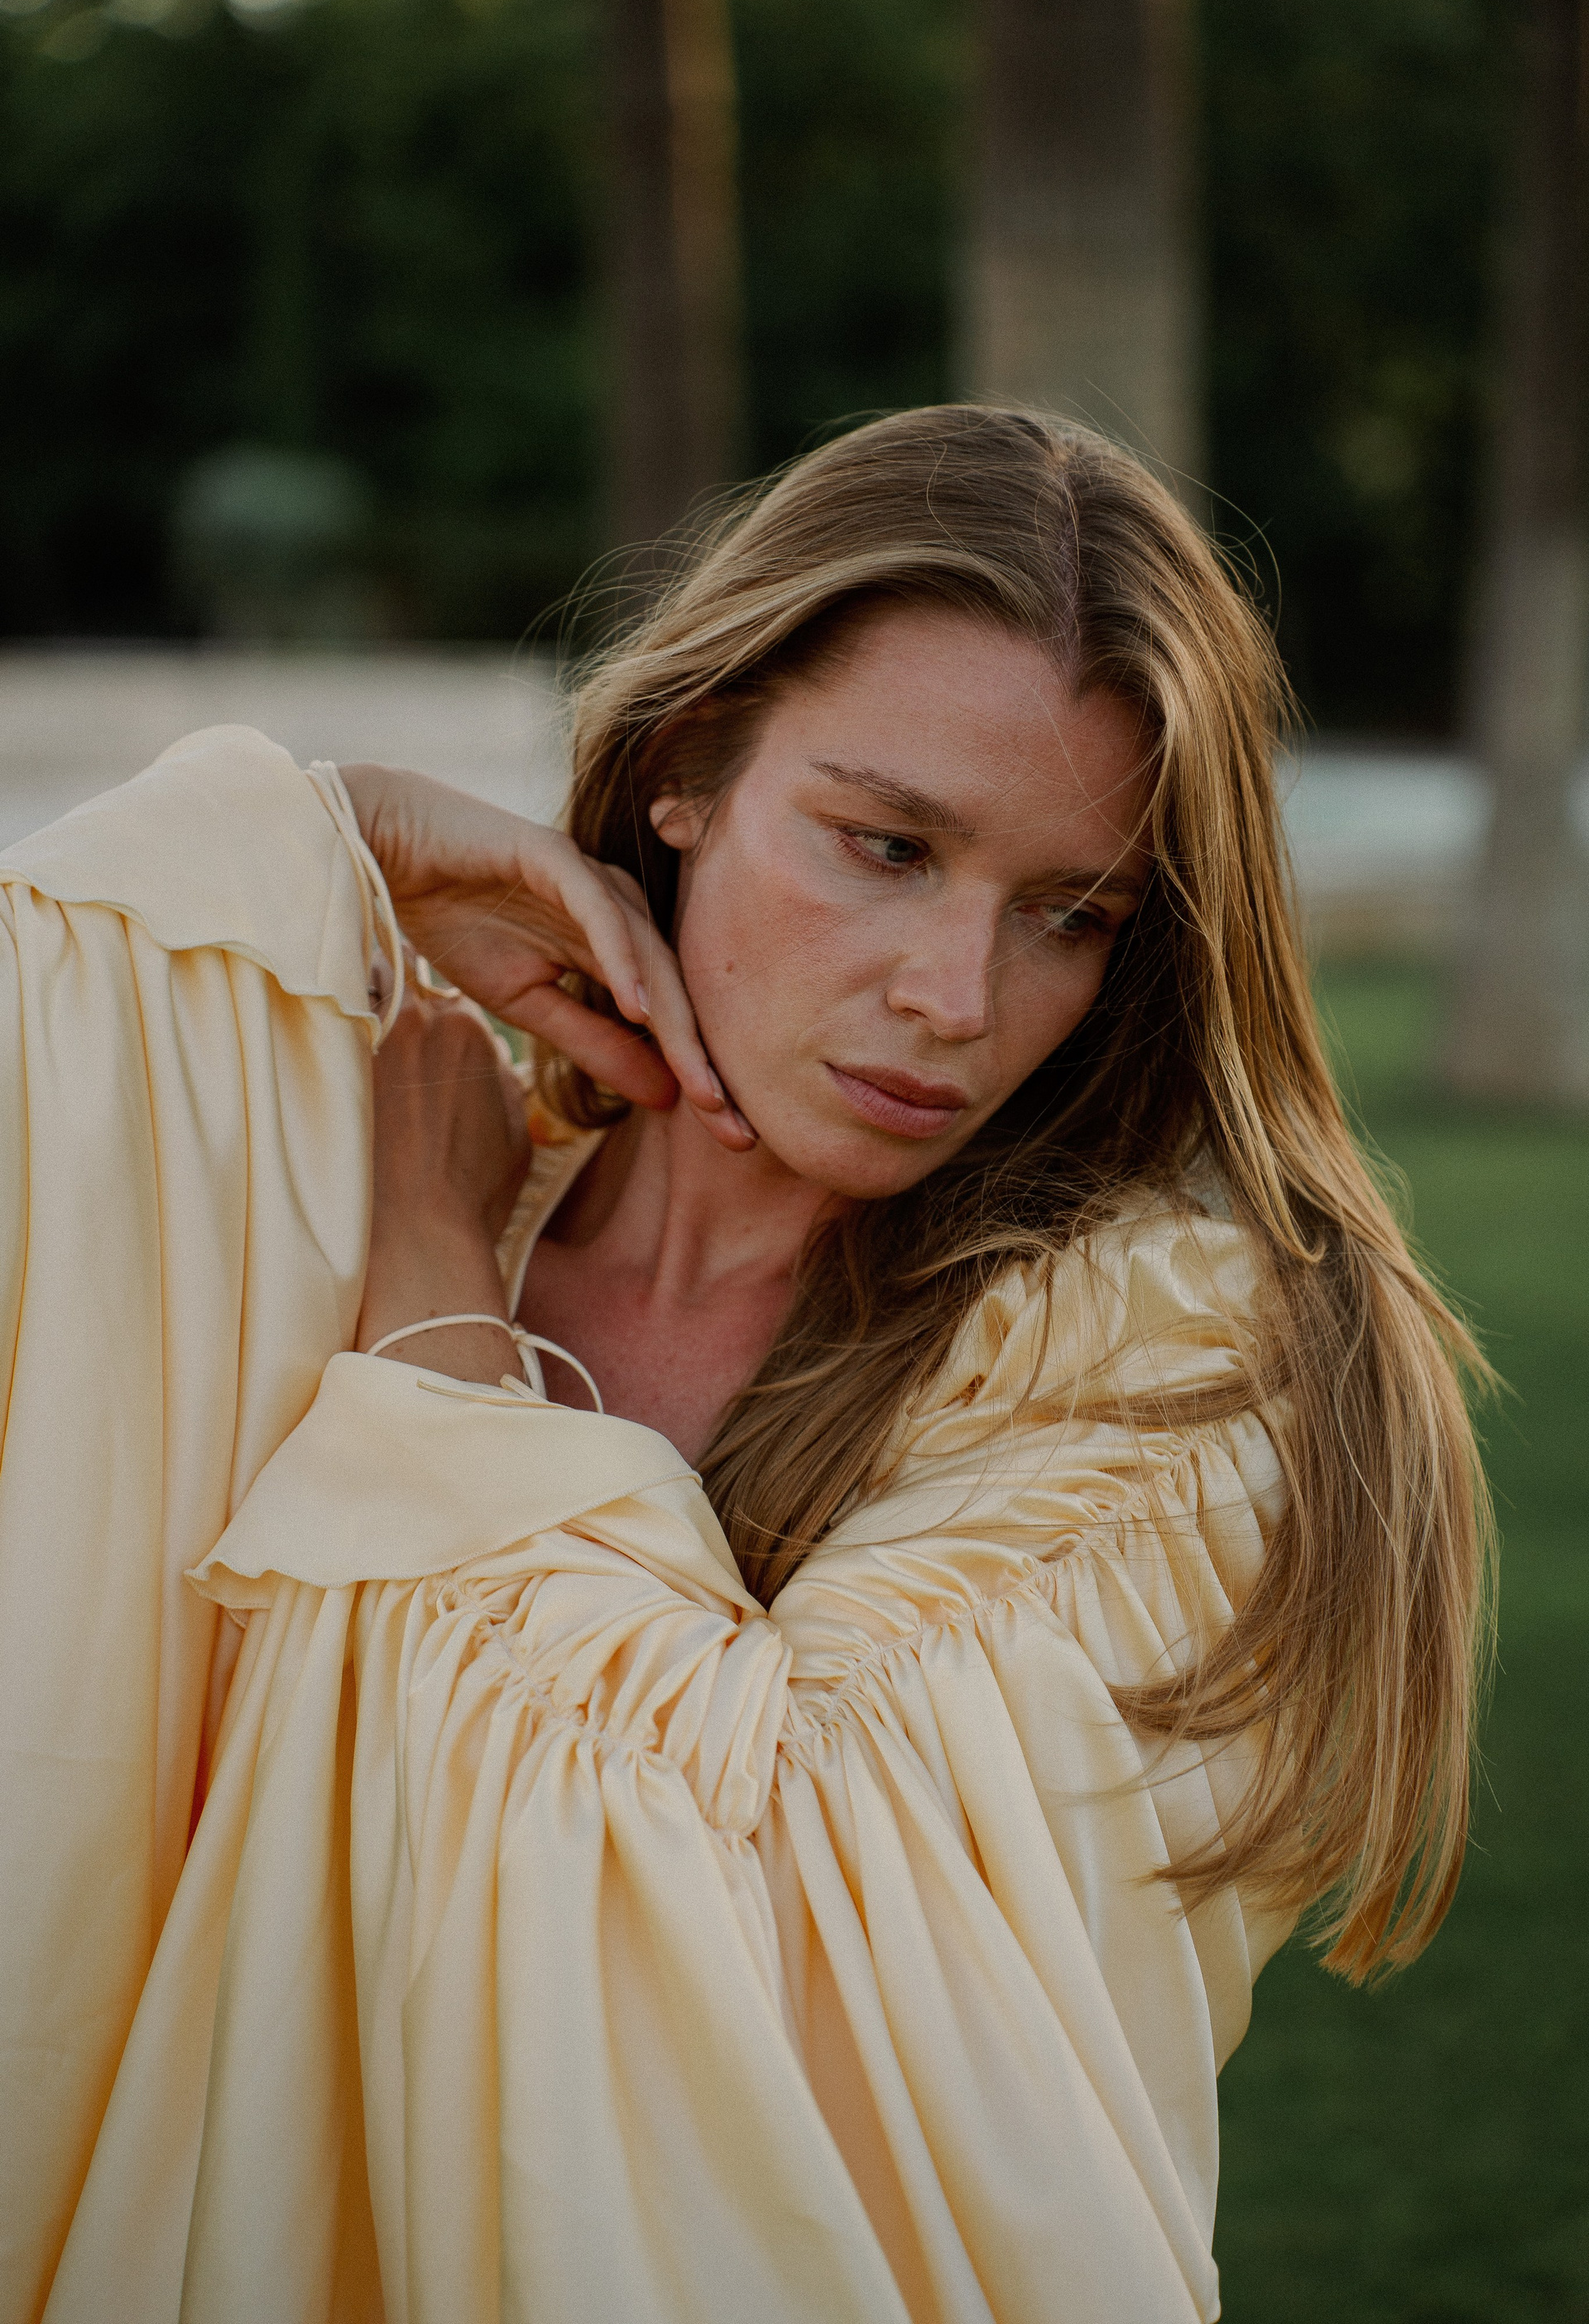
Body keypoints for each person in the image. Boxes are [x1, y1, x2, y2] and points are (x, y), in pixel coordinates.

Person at [1, 408, 1490, 2324]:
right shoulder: (336, 1183)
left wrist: (439, 1330)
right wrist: (325, 840)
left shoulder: (1161, 1375)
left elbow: (728, 1999)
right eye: (886, 846)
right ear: (689, 770)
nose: (953, 1000)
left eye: (1070, 915)